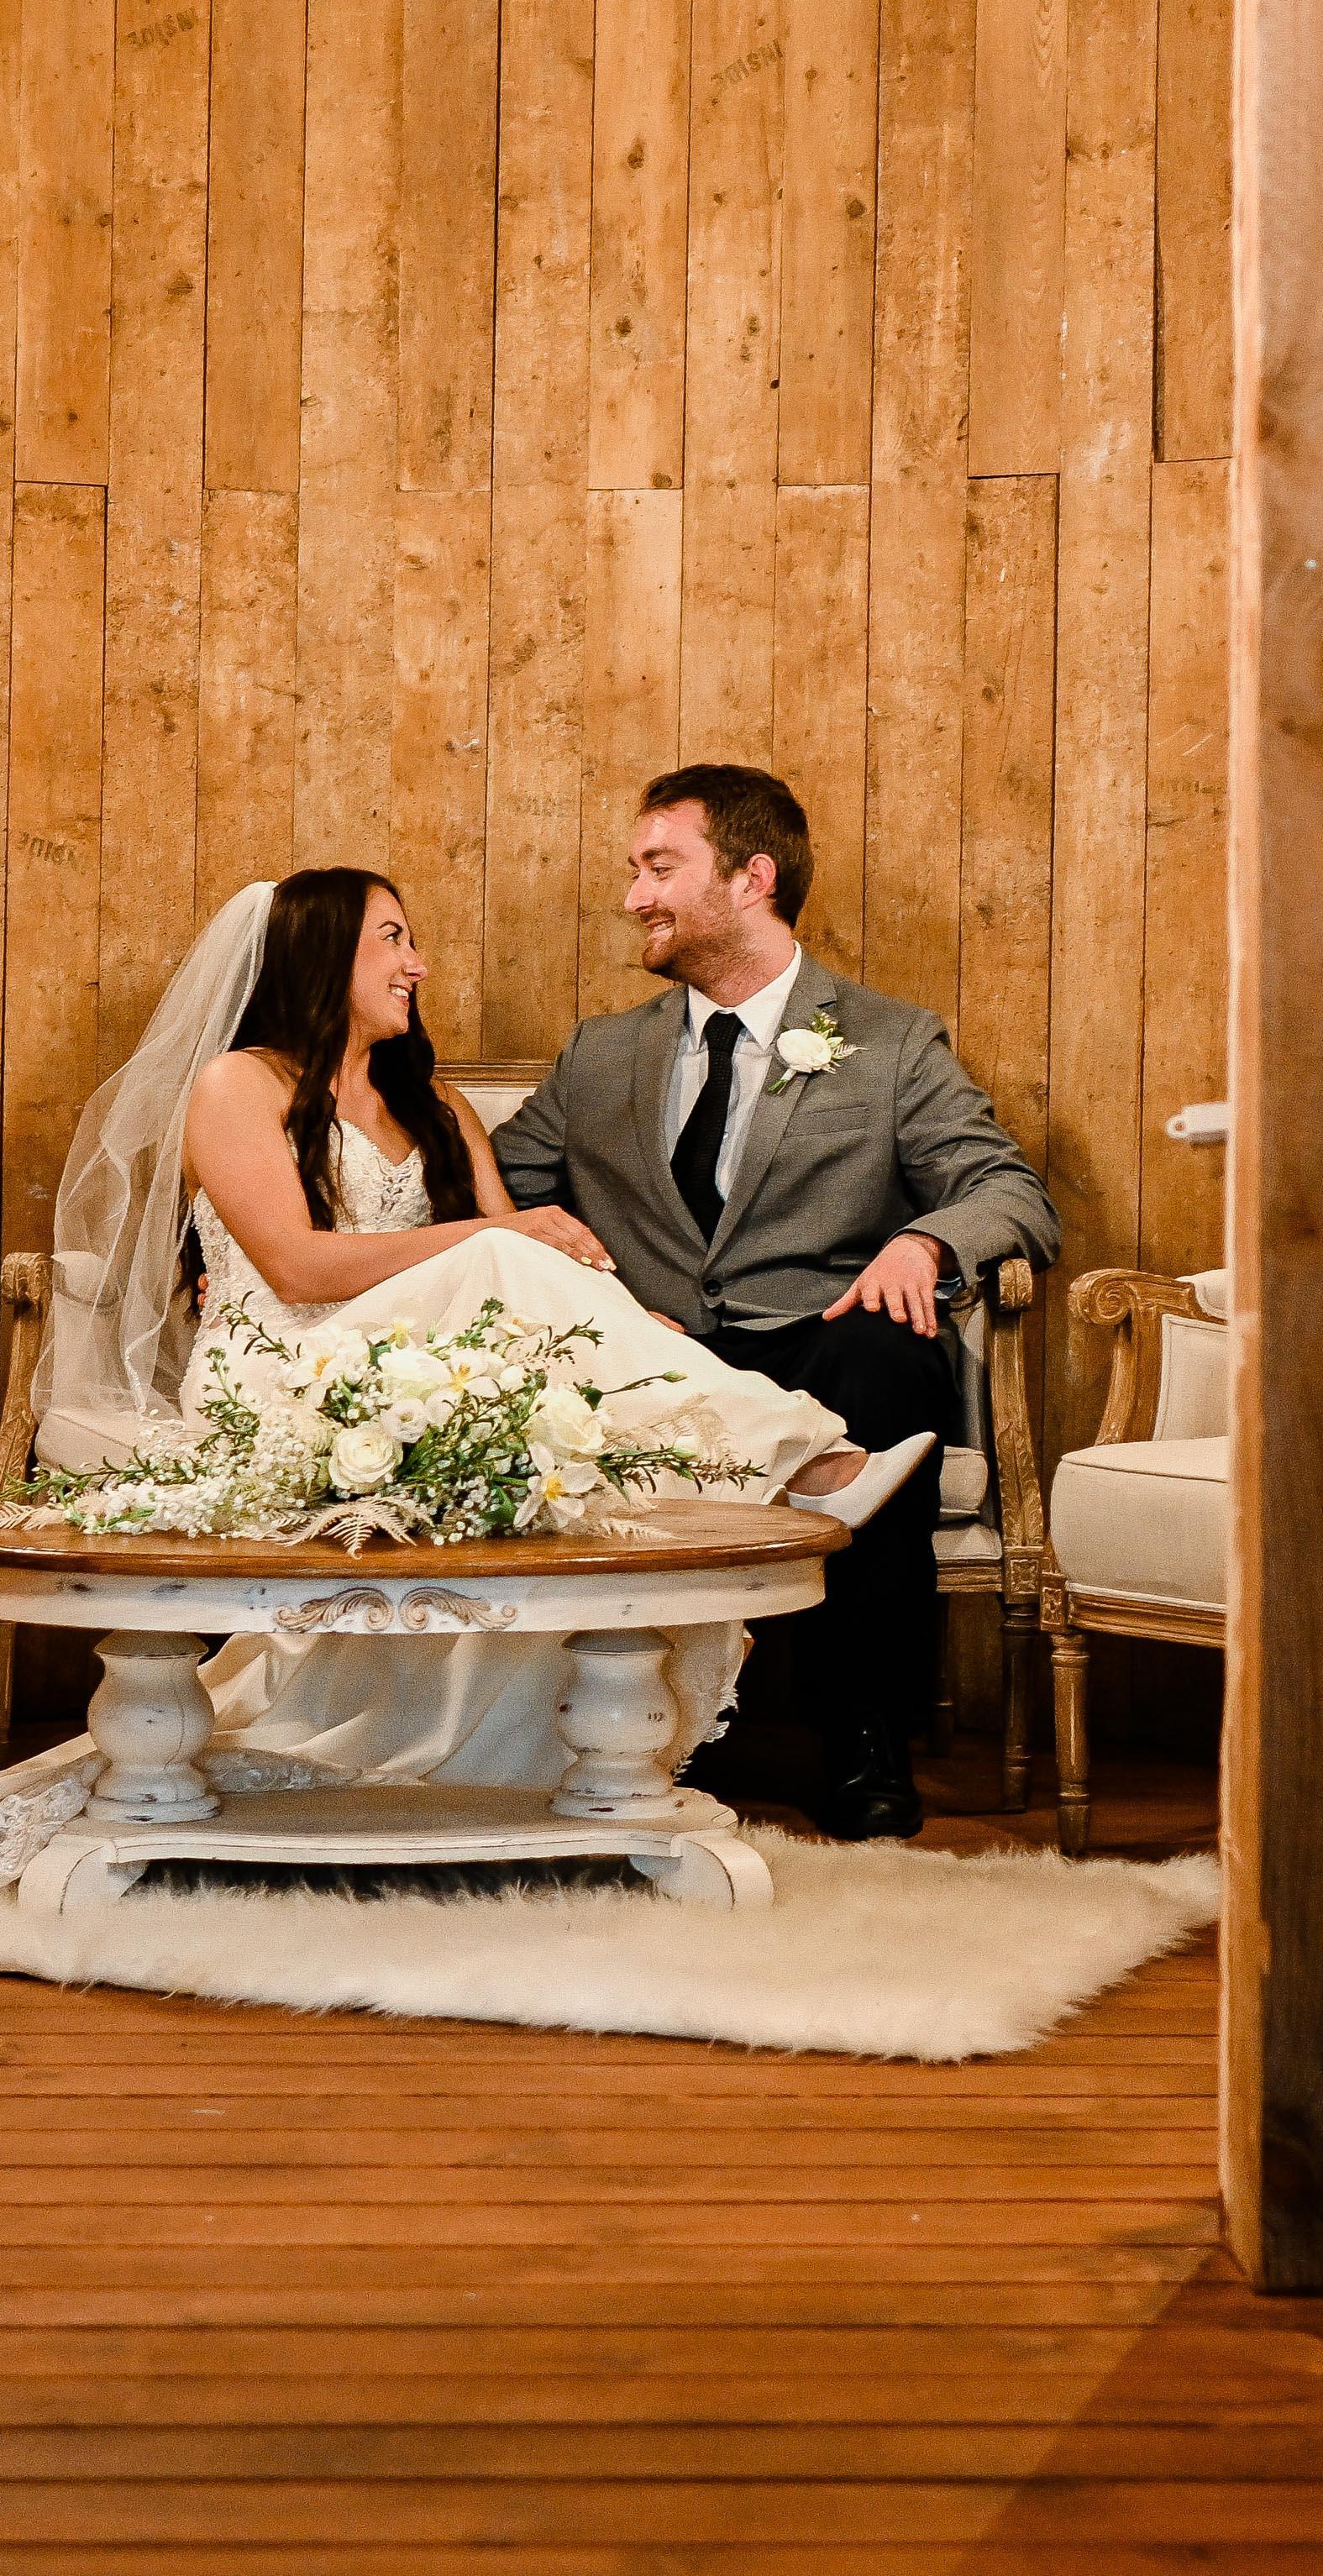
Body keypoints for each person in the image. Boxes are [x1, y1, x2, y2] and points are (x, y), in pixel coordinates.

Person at [0, 868, 934, 1967]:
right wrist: (499, 1239)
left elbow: (530, 1274)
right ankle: (797, 1458)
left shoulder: (433, 1105)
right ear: (320, 952)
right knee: (502, 1258)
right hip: (281, 1374)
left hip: (413, 1376)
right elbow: (296, 1266)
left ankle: (687, 1574)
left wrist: (628, 1321)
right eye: (392, 937)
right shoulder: (236, 1085)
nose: (417, 962)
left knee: (553, 1332)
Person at [489, 764, 1060, 1842]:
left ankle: (865, 1737)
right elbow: (486, 1192)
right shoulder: (601, 1053)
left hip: (819, 1342)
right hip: (653, 1352)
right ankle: (643, 1730)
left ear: (752, 879)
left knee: (887, 1359)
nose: (634, 896)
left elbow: (1011, 1191)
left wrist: (924, 1239)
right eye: (635, 870)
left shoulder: (892, 1042)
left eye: (660, 868)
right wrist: (589, 1294)